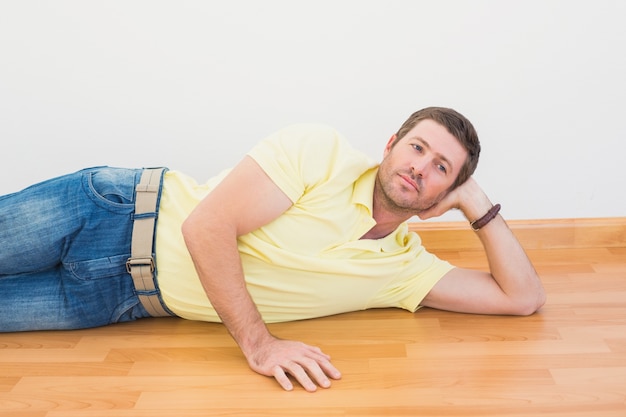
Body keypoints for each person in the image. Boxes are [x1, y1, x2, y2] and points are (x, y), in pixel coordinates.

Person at [0, 106, 545, 392]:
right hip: (113, 212)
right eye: (417, 147)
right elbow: (205, 227)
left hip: (121, 300)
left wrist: (478, 202)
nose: (419, 168)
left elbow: (521, 297)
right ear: (390, 146)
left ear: (443, 193)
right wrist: (260, 346)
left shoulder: (403, 269)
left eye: (441, 170)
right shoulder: (321, 153)